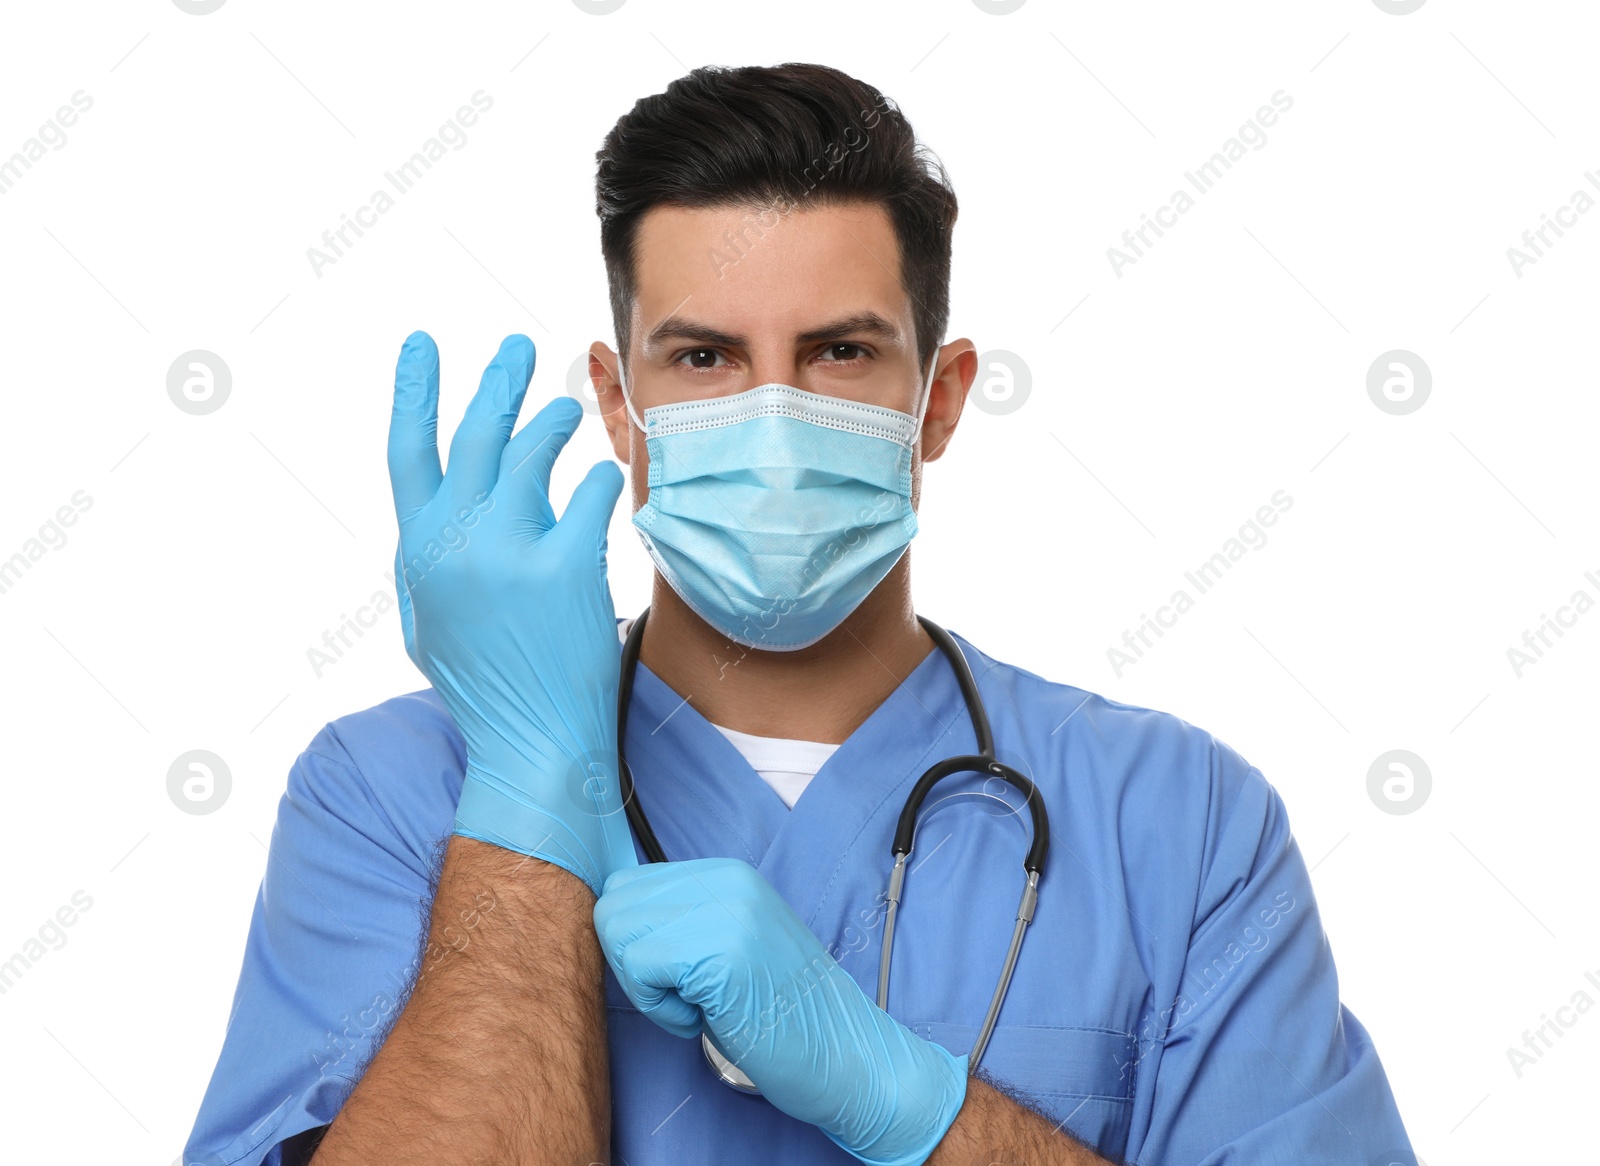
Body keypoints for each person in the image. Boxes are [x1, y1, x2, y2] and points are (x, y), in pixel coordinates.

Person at [182, 63, 1414, 1165]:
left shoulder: (1178, 822)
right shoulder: (394, 791)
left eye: (838, 352)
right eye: (704, 358)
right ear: (620, 407)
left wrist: (911, 1101)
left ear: (938, 400)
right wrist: (523, 790)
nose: (773, 419)